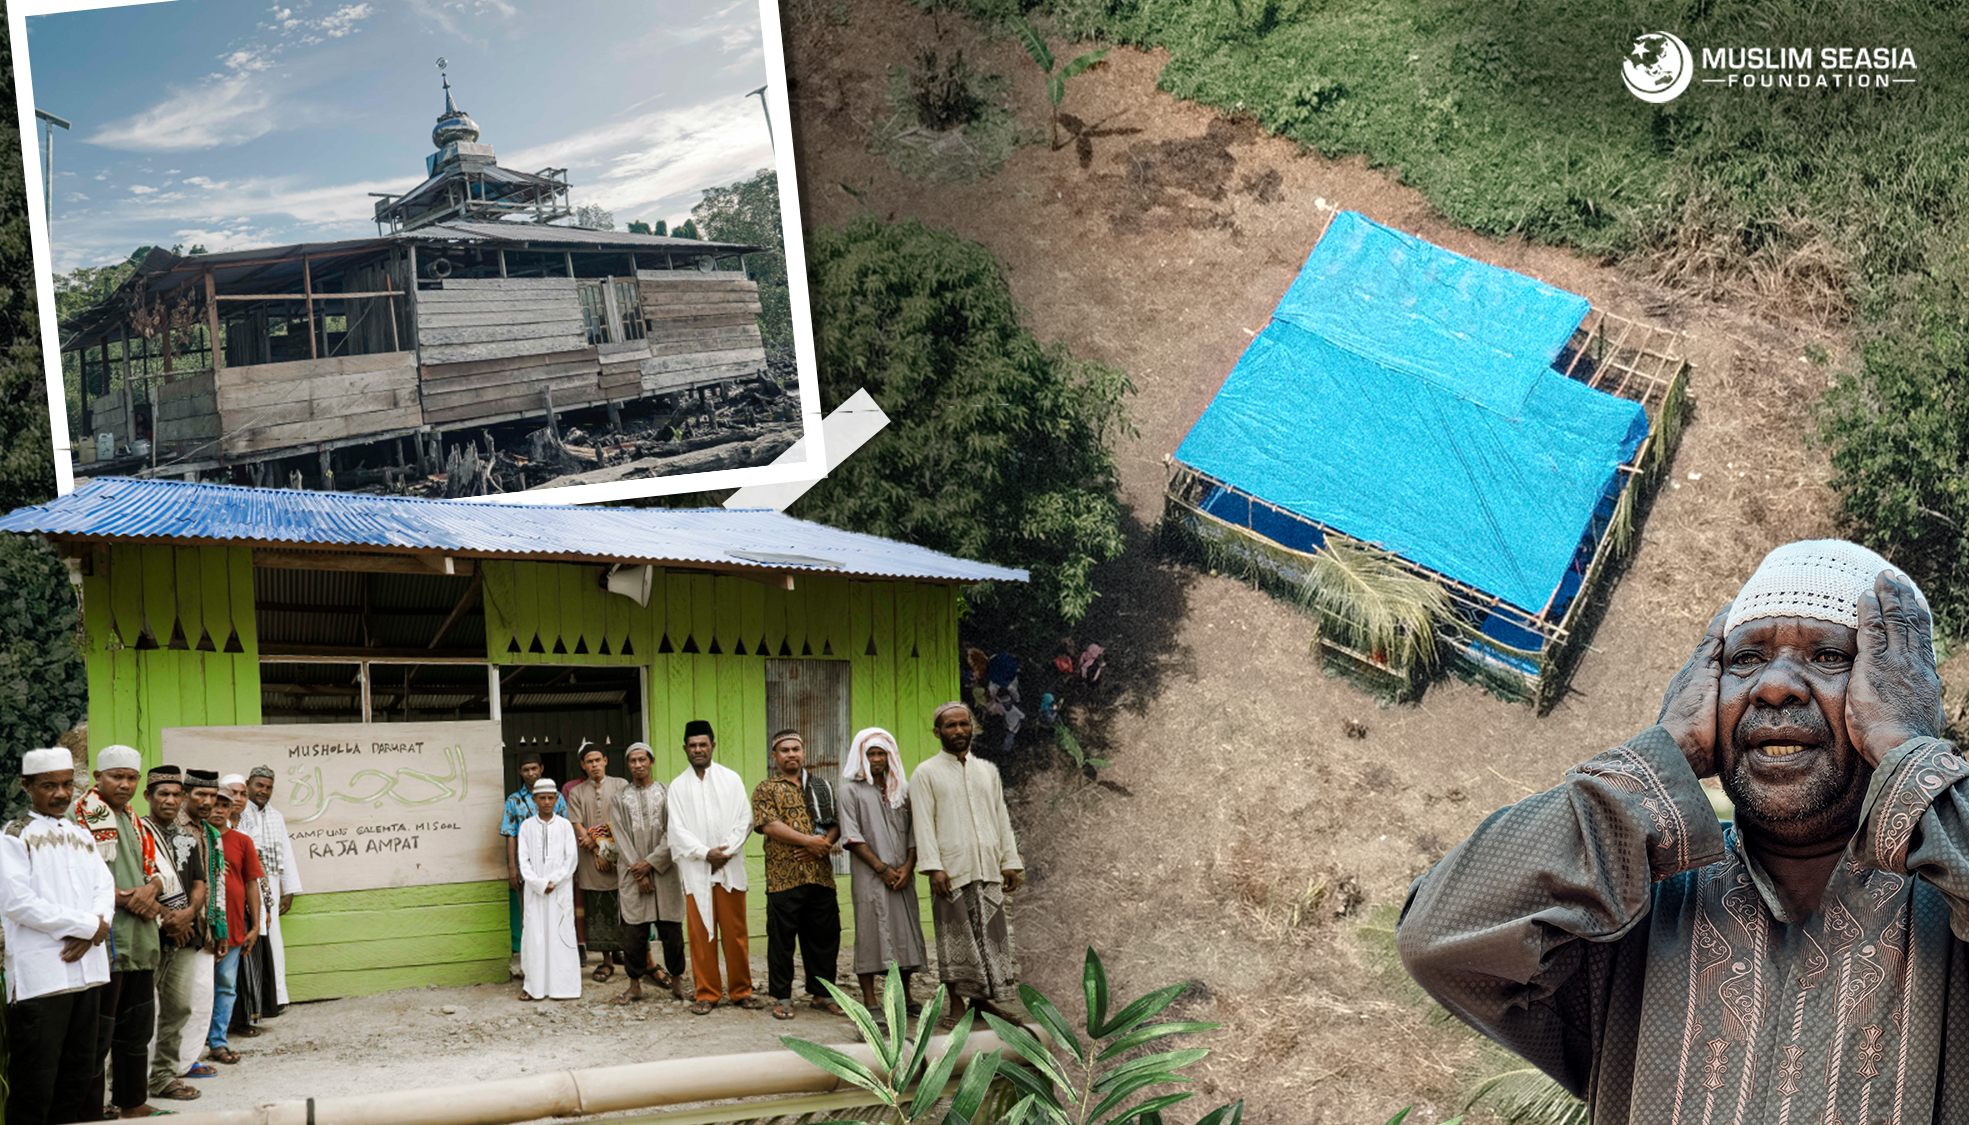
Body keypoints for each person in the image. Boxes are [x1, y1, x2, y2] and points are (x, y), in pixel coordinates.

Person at [1396, 540, 1969, 1123]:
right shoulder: (1630, 910)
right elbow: (1440, 936)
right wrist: (1668, 745)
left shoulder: (1949, 912)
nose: (1774, 687)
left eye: (1827, 658)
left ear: (1902, 691)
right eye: (1745, 661)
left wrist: (1903, 745)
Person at [3, 747, 114, 1125]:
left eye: (67, 784)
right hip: (43, 979)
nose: (61, 793)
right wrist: (87, 927)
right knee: (36, 1082)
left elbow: (104, 885)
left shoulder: (82, 835)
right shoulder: (13, 837)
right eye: (49, 785)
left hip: (89, 974)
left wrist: (98, 926)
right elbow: (18, 903)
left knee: (79, 1075)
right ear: (26, 786)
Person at [911, 703, 1025, 1023]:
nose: (959, 730)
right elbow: (923, 823)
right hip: (951, 870)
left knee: (990, 939)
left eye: (964, 724)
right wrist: (934, 866)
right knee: (955, 940)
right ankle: (957, 1005)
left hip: (987, 867)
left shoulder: (987, 770)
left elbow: (1000, 817)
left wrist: (1009, 862)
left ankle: (981, 1003)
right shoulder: (926, 773)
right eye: (951, 726)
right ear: (938, 732)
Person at [75, 745, 166, 1119]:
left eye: (132, 777)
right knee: (97, 1033)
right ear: (98, 777)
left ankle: (131, 1100)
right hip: (105, 944)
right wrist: (128, 899)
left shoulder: (135, 820)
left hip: (140, 942)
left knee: (137, 1028)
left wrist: (153, 889)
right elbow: (76, 881)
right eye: (117, 776)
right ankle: (90, 1109)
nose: (125, 784)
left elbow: (157, 870)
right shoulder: (77, 818)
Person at [668, 720, 768, 1015]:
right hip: (696, 872)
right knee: (700, 935)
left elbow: (744, 820)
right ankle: (707, 993)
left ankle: (741, 991)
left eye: (703, 744)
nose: (698, 749)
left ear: (713, 745)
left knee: (736, 933)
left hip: (729, 868)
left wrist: (726, 851)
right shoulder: (678, 786)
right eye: (692, 745)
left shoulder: (730, 779)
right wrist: (704, 853)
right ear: (685, 748)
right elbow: (676, 830)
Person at [751, 730, 844, 1020]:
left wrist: (823, 844)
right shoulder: (766, 788)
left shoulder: (821, 786)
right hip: (783, 876)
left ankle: (822, 993)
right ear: (774, 756)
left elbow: (836, 823)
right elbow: (769, 825)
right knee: (782, 940)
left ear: (804, 753)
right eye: (784, 750)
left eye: (796, 749)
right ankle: (782, 996)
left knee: (824, 937)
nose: (791, 754)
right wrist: (808, 842)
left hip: (820, 874)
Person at [837, 727, 926, 1013]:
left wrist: (908, 867)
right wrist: (882, 869)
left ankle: (905, 996)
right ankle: (870, 999)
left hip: (903, 874)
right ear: (861, 757)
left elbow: (915, 831)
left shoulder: (902, 789)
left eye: (881, 753)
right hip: (870, 875)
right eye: (871, 754)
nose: (876, 759)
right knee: (869, 931)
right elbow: (851, 836)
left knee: (905, 930)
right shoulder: (850, 790)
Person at [141, 767, 208, 1103]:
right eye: (162, 794)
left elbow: (199, 883)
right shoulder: (136, 833)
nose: (169, 800)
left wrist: (187, 914)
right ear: (148, 797)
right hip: (148, 934)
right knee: (135, 1012)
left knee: (178, 1007)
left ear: (182, 798)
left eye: (175, 794)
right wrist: (168, 917)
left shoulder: (185, 838)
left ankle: (163, 1077)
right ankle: (120, 1080)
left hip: (183, 935)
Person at [609, 742, 686, 1005]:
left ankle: (677, 983)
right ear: (628, 764)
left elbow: (673, 831)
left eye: (642, 759)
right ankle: (634, 986)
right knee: (634, 934)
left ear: (651, 761)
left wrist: (651, 864)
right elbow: (619, 836)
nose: (638, 765)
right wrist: (639, 872)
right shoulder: (618, 798)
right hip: (633, 875)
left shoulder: (667, 793)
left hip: (665, 873)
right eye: (633, 761)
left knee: (672, 932)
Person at [164, 771, 225, 1095]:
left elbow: (218, 883)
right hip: (174, 928)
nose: (207, 802)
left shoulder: (212, 833)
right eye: (200, 794)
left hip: (205, 928)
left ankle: (186, 1062)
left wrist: (220, 928)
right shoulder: (172, 827)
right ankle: (159, 1069)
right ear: (187, 794)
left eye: (212, 796)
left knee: (202, 997)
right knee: (171, 1003)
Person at [237, 765, 302, 1013]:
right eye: (259, 785)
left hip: (271, 885)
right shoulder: (239, 814)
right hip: (246, 884)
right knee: (251, 937)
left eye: (268, 787)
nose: (264, 791)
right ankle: (252, 1002)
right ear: (248, 784)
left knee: (273, 939)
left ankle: (276, 997)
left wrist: (290, 889)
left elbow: (286, 852)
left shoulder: (276, 816)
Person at [205, 784, 261, 1067]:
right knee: (196, 987)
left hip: (234, 926)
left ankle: (218, 1041)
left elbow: (252, 884)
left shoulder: (242, 842)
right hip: (201, 930)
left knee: (226, 986)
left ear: (231, 810)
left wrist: (256, 925)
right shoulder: (195, 838)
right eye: (214, 803)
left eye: (224, 805)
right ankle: (191, 1043)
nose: (218, 809)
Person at [564, 744, 628, 984]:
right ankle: (606, 961)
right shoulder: (577, 792)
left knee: (625, 909)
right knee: (598, 910)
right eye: (589, 762)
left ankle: (634, 957)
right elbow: (577, 824)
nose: (594, 765)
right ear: (583, 765)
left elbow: (624, 821)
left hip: (620, 858)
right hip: (591, 861)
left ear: (605, 760)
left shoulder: (620, 785)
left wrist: (608, 851)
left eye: (597, 760)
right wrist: (598, 851)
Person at [220, 776, 276, 1035]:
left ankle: (243, 1020)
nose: (238, 799)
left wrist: (262, 909)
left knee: (243, 964)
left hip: (246, 908)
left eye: (243, 794)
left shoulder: (247, 828)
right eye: (234, 793)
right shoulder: (213, 830)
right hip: (223, 910)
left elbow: (256, 874)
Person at [516, 778, 581, 1001]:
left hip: (560, 892)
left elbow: (570, 860)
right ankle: (533, 986)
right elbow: (523, 861)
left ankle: (564, 987)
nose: (546, 802)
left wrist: (554, 881)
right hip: (535, 892)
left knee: (560, 935)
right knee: (535, 936)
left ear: (556, 799)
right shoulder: (526, 827)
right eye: (541, 798)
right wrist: (539, 884)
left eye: (550, 798)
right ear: (534, 800)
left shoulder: (564, 826)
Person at [501, 753, 566, 955]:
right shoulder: (514, 800)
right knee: (529, 916)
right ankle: (531, 961)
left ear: (542, 768)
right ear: (520, 772)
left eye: (534, 769)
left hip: (554, 868)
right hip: (527, 868)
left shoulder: (557, 797)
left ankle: (555, 958)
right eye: (526, 770)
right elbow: (510, 834)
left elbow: (564, 830)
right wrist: (513, 867)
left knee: (556, 914)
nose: (531, 773)